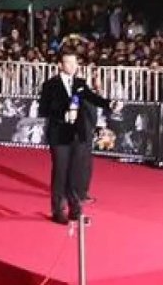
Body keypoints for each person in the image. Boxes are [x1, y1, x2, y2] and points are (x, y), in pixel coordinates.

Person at [39, 52, 116, 224]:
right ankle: (58, 210)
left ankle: (76, 209)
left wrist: (109, 103)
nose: (73, 66)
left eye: (75, 63)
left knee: (76, 172)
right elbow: (44, 109)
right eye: (69, 63)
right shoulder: (50, 85)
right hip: (59, 134)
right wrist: (63, 114)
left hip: (78, 134)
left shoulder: (80, 83)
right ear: (60, 65)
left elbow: (92, 97)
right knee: (60, 172)